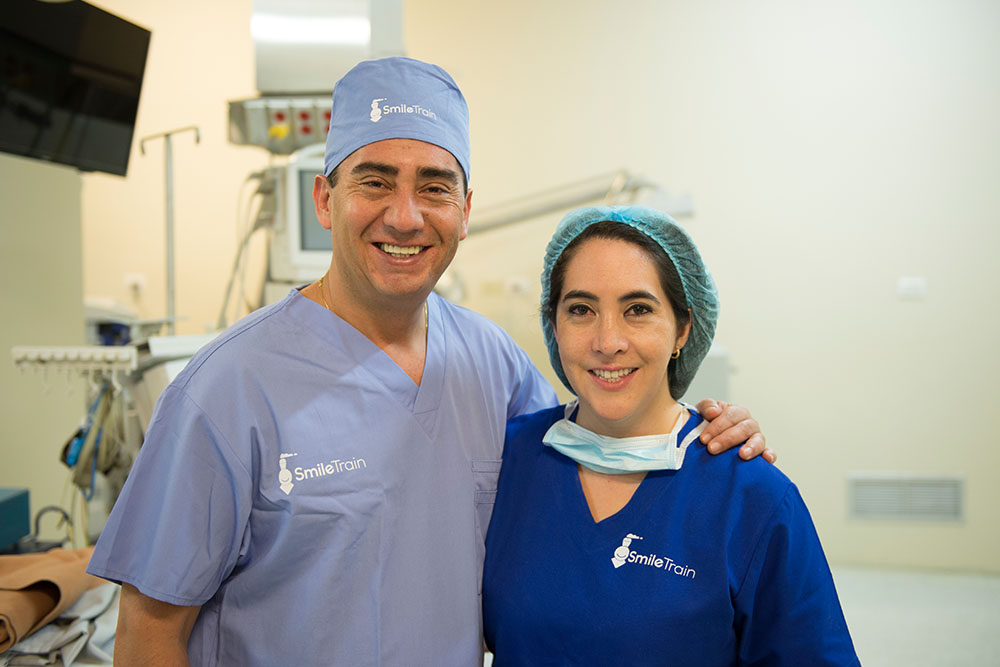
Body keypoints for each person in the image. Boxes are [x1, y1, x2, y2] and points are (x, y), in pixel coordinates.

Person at [86, 58, 769, 665]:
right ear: (326, 199)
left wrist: (709, 428)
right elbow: (149, 629)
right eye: (375, 181)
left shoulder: (489, 362)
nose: (406, 216)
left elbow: (597, 446)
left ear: (466, 211)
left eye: (435, 187)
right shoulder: (225, 391)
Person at [483, 206, 859, 665]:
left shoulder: (751, 495)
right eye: (580, 310)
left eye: (637, 310)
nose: (608, 341)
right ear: (553, 325)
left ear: (683, 328)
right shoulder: (506, 460)